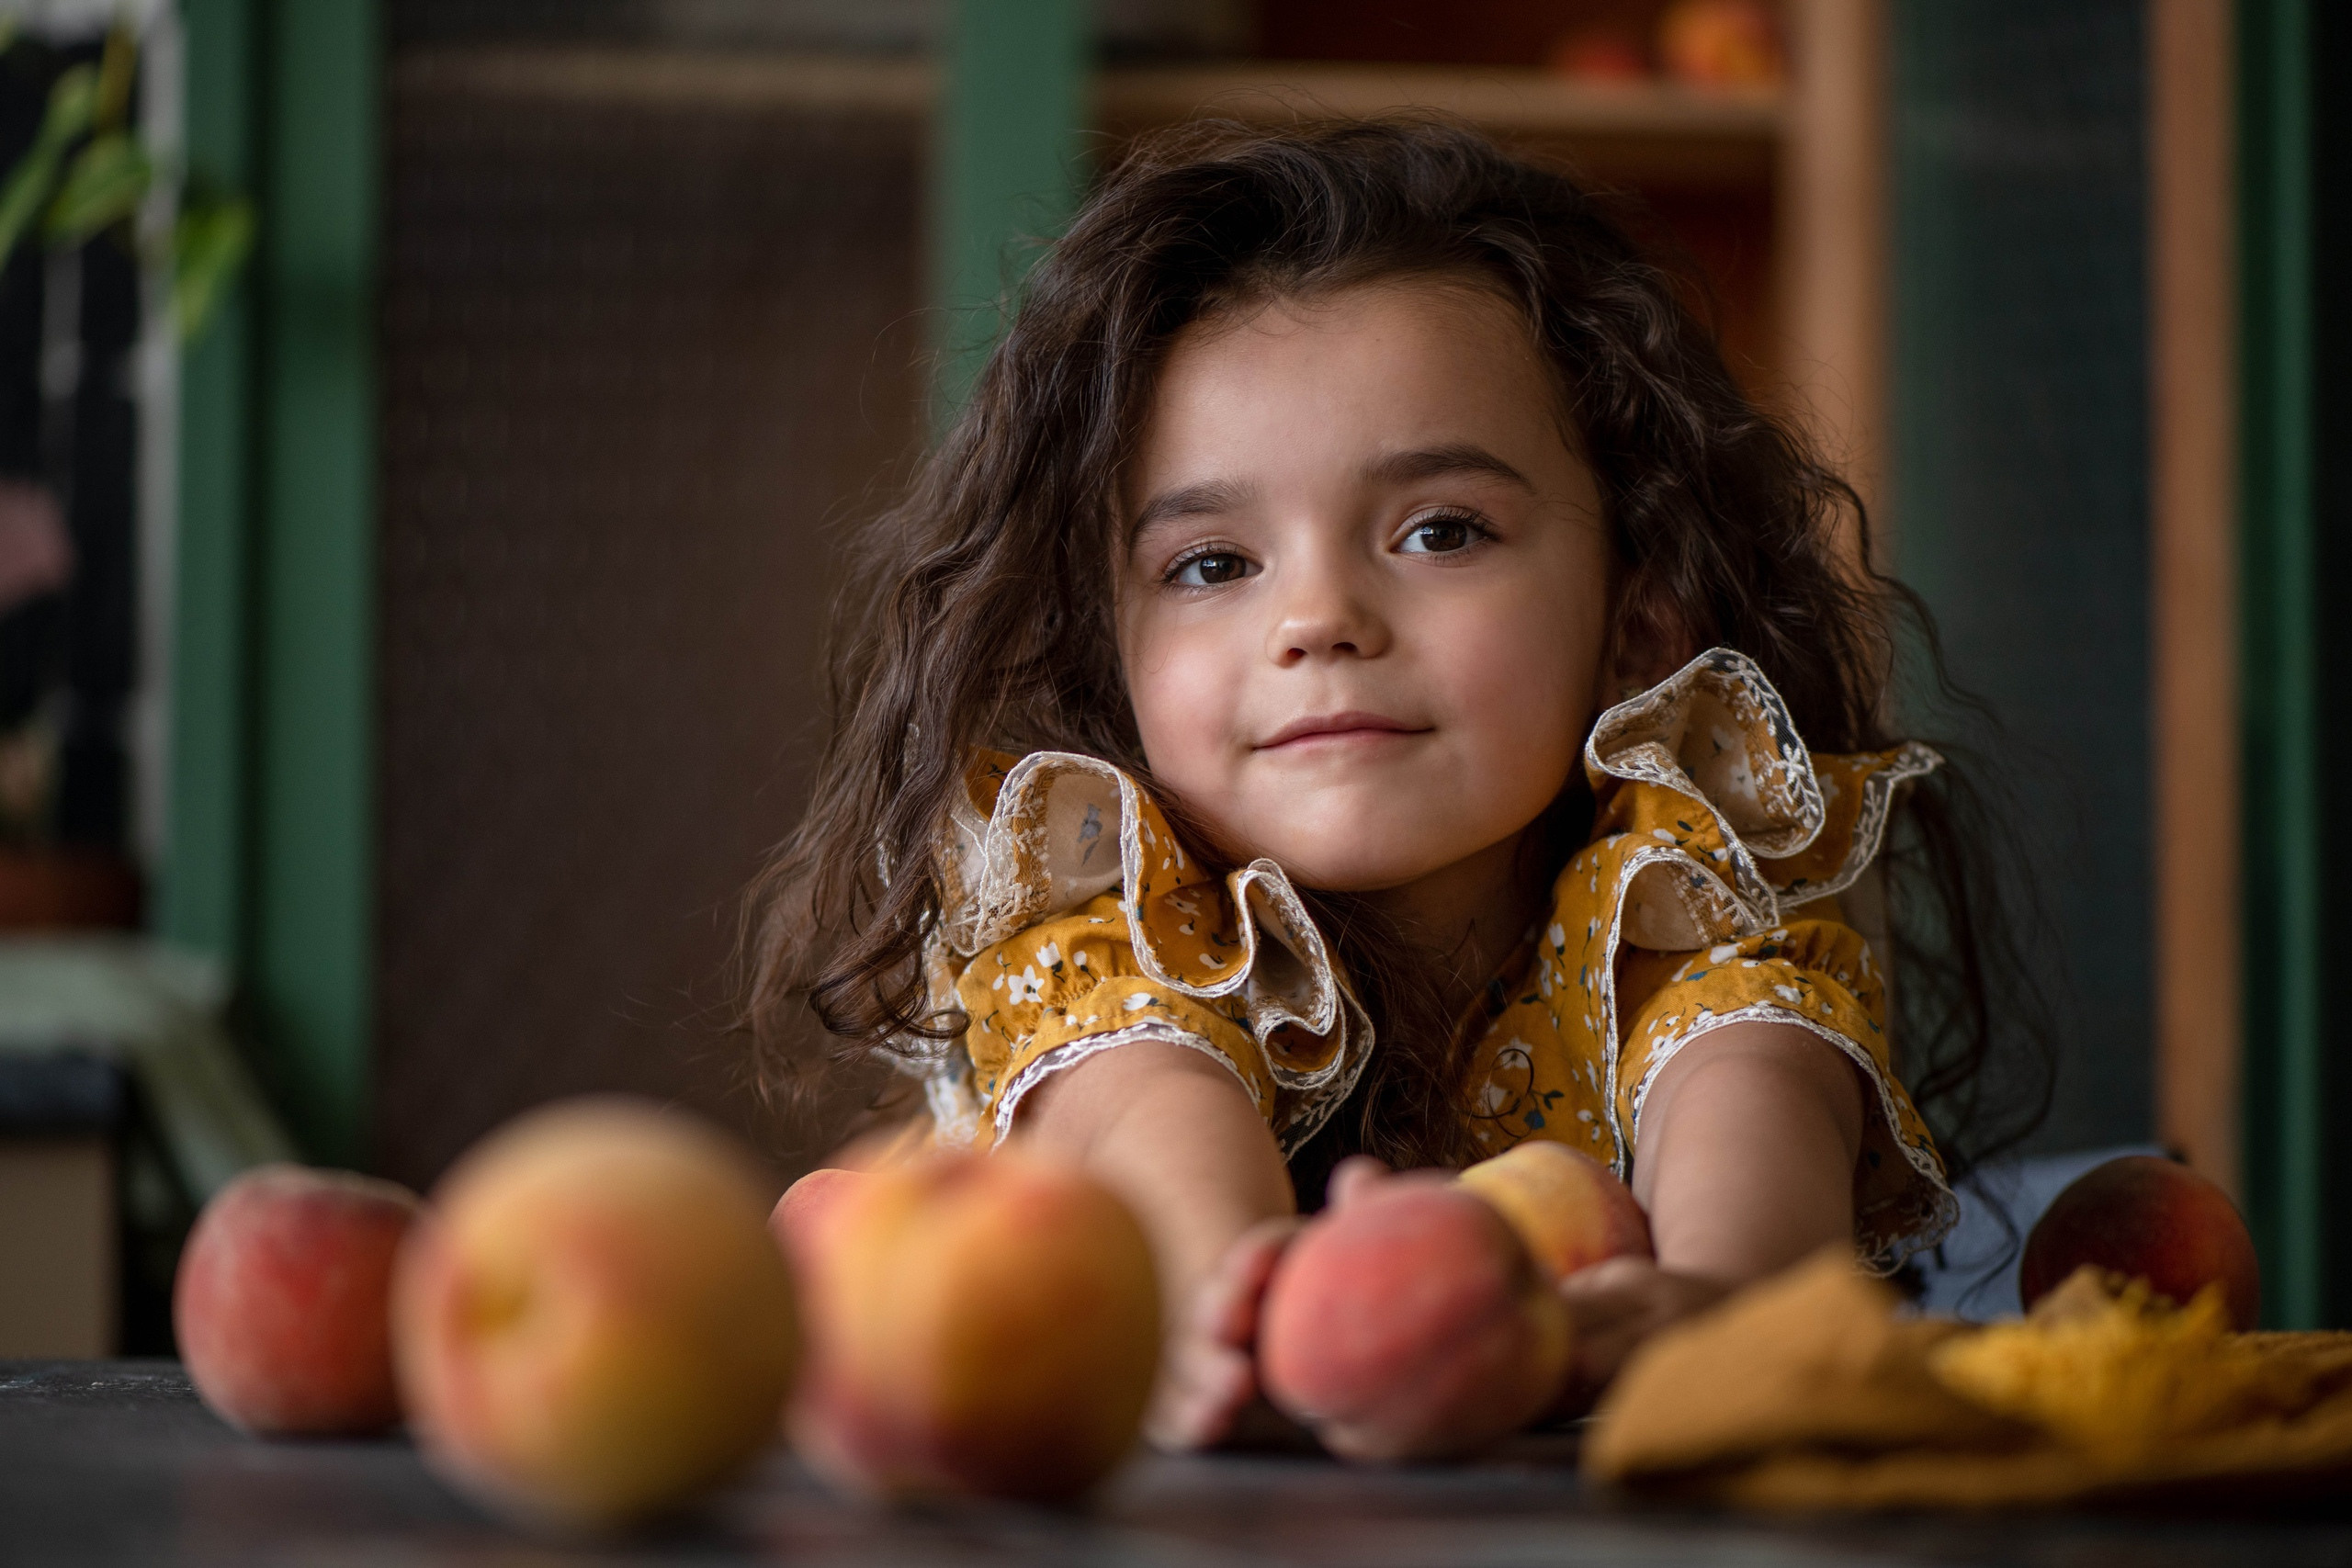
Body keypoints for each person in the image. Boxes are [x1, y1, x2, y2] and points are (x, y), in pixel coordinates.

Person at [747, 119, 2045, 1455]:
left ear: (1638, 623)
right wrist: (1232, 1306)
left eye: (1441, 532)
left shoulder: (1685, 860)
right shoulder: (1107, 891)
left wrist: (1713, 1300)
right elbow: (1153, 1108)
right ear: (1108, 658)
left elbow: (1754, 1079)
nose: (1319, 618)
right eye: (1209, 564)